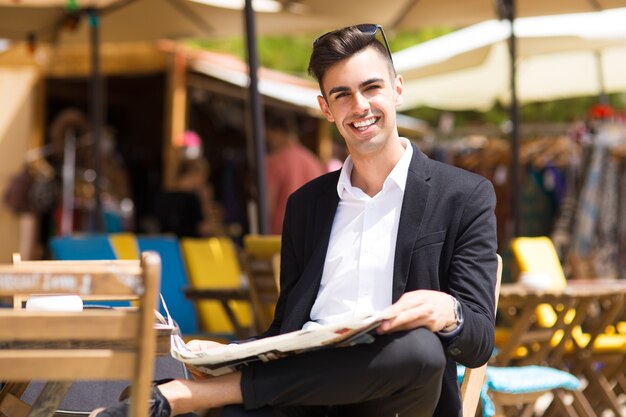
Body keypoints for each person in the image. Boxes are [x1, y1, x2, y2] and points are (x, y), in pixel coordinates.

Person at [91, 23, 498, 417]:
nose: (360, 106)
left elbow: (479, 342)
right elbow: (287, 327)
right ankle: (205, 392)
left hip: (393, 392)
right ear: (325, 108)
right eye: (342, 95)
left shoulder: (463, 195)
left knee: (421, 350)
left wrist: (449, 311)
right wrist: (225, 355)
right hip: (302, 397)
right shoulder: (306, 205)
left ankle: (190, 396)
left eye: (372, 87)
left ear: (397, 89)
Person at [265, 111, 326, 234]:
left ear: (278, 133)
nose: (268, 141)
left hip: (282, 237)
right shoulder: (314, 161)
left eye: (269, 135)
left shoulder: (274, 161)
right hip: (312, 234)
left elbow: (267, 205)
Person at [154, 157, 222, 238]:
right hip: (189, 247)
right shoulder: (192, 199)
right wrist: (205, 202)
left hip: (168, 246)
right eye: (204, 176)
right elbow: (204, 229)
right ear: (195, 173)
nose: (205, 181)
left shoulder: (162, 195)